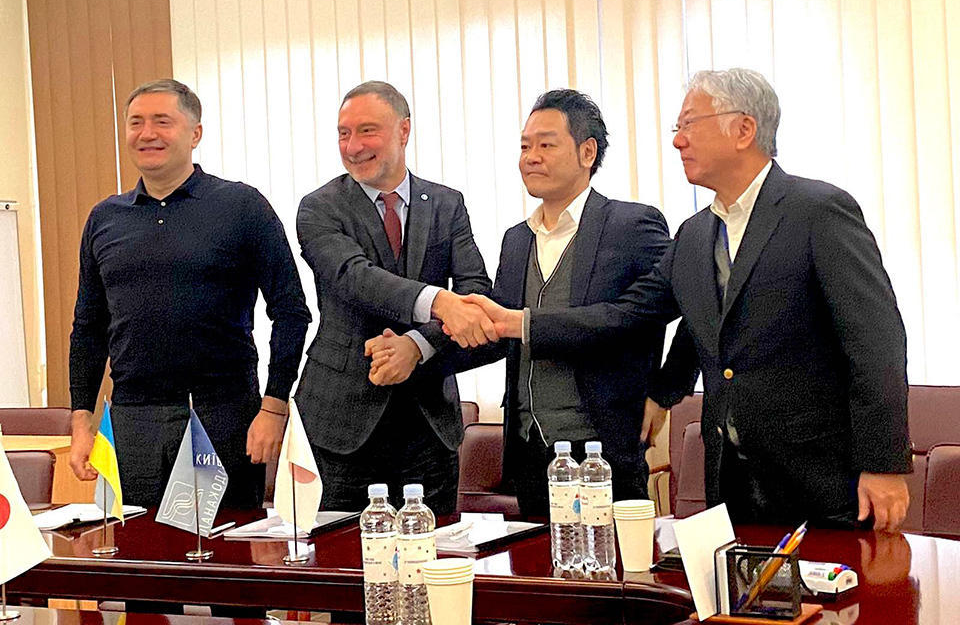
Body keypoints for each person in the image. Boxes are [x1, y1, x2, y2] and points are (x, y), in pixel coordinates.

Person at [463, 69, 912, 530]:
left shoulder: (817, 210)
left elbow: (876, 341)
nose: (678, 141)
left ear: (743, 129)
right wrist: (662, 392)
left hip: (823, 478)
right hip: (731, 478)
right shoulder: (695, 234)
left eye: (690, 125)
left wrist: (884, 463)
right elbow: (646, 314)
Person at [368, 89, 692, 517]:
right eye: (524, 146)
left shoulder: (632, 224)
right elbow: (495, 333)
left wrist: (666, 392)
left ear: (587, 152)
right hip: (531, 452)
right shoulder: (516, 239)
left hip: (604, 450)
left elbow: (656, 312)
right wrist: (418, 347)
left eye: (546, 144)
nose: (530, 156)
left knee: (611, 578)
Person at [69, 79, 311, 509]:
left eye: (163, 121)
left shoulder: (241, 206)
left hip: (220, 415)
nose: (147, 134)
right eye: (136, 123)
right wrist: (81, 420)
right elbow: (88, 328)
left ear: (195, 134)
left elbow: (291, 311)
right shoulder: (105, 218)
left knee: (219, 559)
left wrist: (274, 406)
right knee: (135, 558)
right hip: (131, 421)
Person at [294, 81, 493, 514]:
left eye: (367, 131)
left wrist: (417, 346)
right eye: (343, 133)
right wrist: (439, 302)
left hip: (428, 425)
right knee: (341, 564)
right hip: (341, 424)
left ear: (404, 131)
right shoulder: (319, 208)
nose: (353, 146)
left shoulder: (446, 203)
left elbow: (477, 295)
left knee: (432, 560)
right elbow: (353, 277)